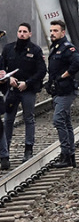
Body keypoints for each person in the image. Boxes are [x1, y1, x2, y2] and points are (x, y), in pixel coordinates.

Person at [1, 23, 46, 163]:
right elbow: (2, 68)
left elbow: (41, 71)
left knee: (29, 118)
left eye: (25, 31)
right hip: (12, 89)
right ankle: (5, 150)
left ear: (30, 34)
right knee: (8, 120)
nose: (22, 34)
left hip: (28, 89)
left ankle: (28, 149)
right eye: (20, 31)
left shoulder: (36, 50)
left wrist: (27, 82)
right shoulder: (8, 49)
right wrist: (9, 79)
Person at [46, 20, 79, 168]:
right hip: (58, 90)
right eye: (51, 31)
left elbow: (78, 63)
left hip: (66, 90)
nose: (52, 33)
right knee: (66, 122)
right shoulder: (55, 47)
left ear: (63, 32)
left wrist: (64, 76)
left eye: (55, 31)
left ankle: (65, 153)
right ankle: (70, 156)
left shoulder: (67, 48)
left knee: (58, 120)